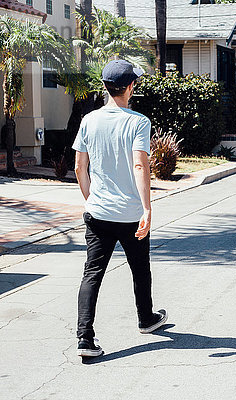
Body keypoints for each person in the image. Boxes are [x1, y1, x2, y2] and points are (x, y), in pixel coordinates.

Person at [73, 59, 167, 357]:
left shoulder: (89, 120)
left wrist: (91, 200)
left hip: (98, 213)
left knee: (92, 274)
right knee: (140, 268)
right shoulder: (138, 121)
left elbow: (79, 167)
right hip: (129, 214)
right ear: (129, 87)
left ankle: (85, 339)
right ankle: (146, 319)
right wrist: (147, 208)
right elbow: (140, 164)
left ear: (105, 86)